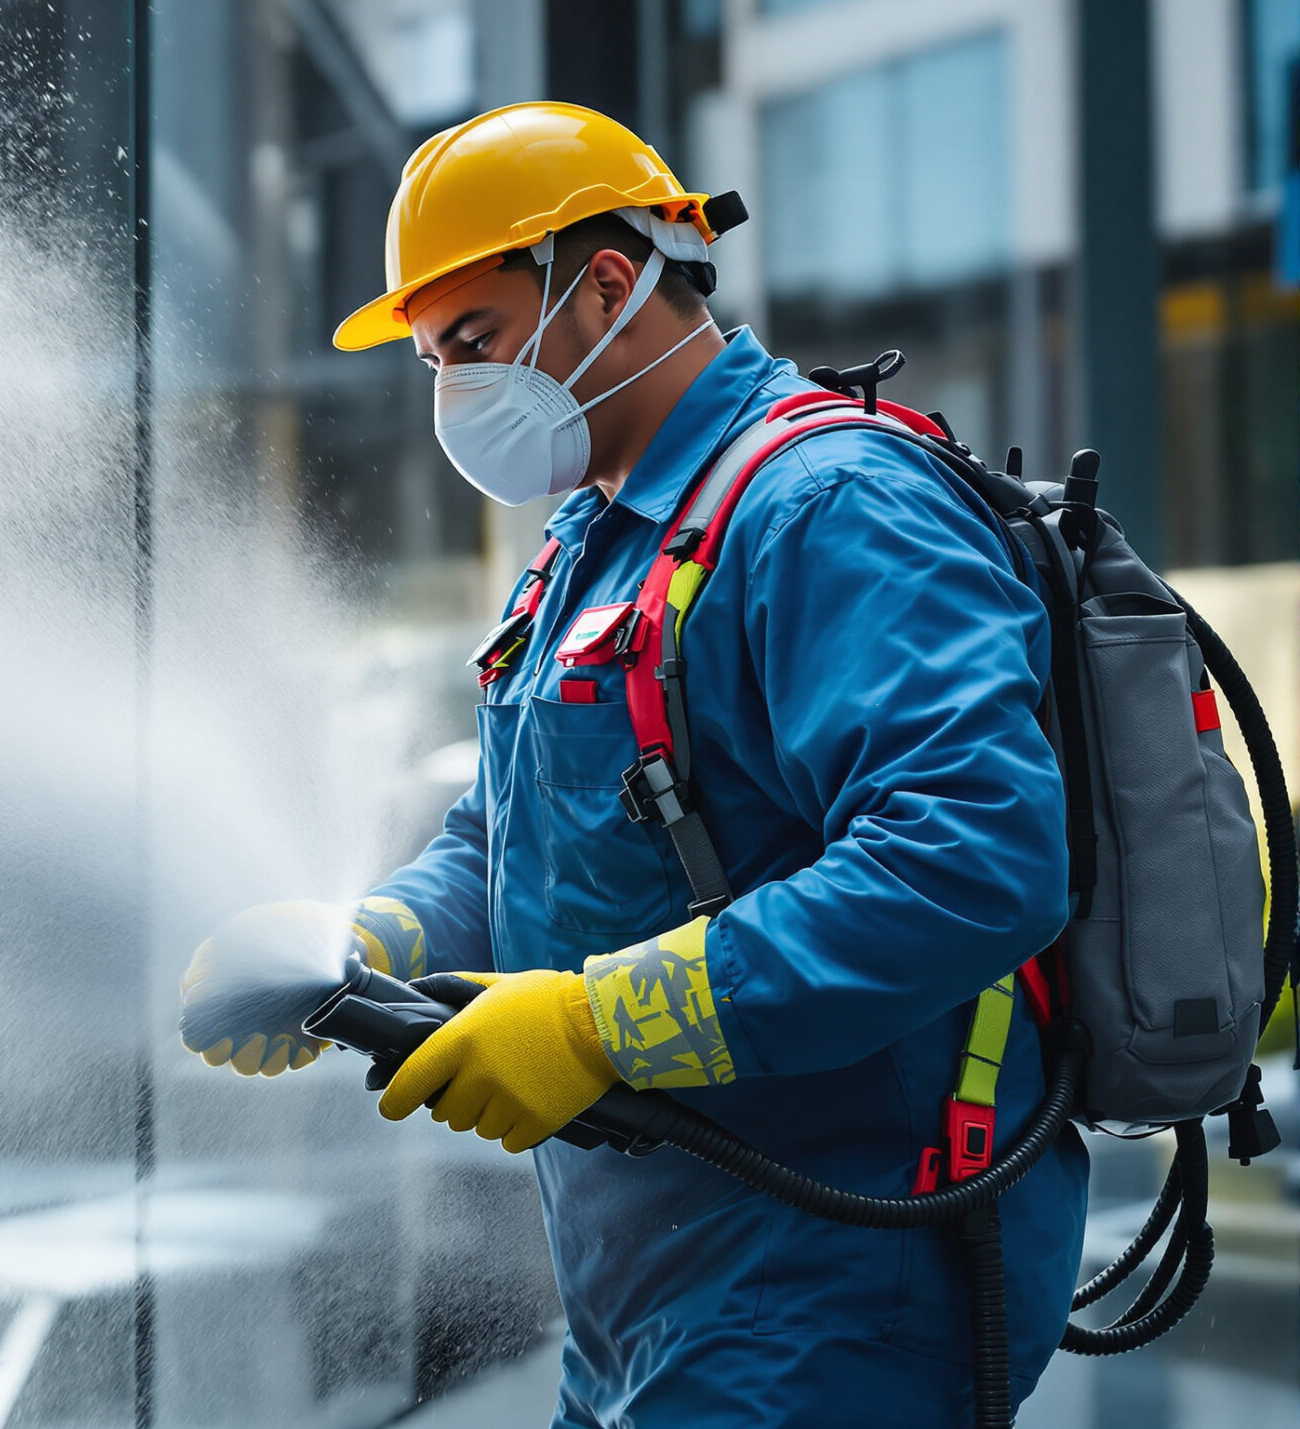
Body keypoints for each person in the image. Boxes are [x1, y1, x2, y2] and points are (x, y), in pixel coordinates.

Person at [179, 102, 1088, 1425]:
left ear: (606, 280)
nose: (454, 394)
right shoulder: (593, 541)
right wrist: (364, 937)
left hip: (833, 1287)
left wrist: (602, 1023)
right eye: (434, 358)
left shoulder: (826, 505)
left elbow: (973, 860)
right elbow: (514, 838)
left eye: (475, 342)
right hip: (648, 1301)